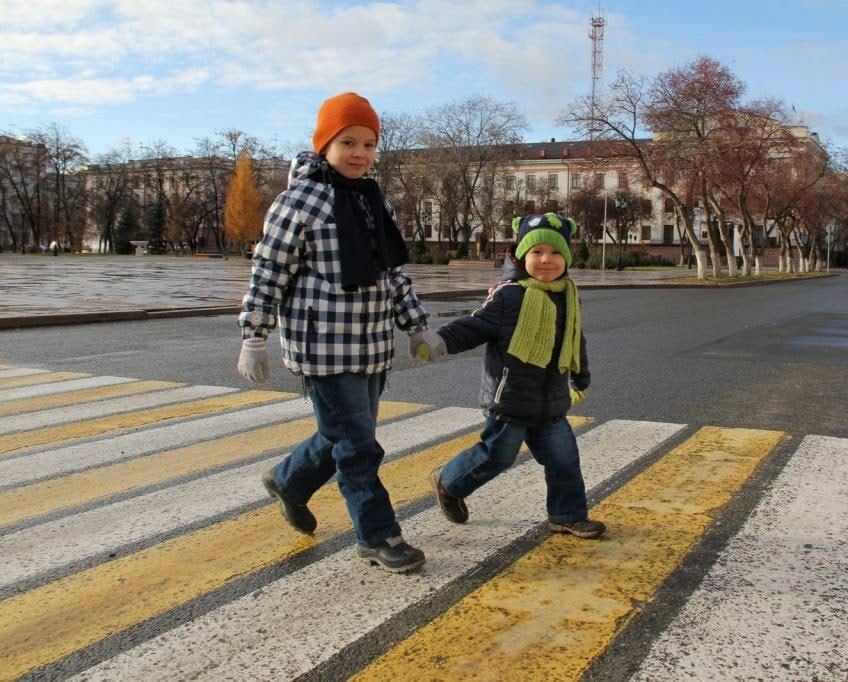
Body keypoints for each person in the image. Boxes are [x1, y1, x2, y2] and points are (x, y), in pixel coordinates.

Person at [236, 91, 437, 574]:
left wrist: (414, 326)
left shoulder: (373, 199)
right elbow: (269, 269)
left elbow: (391, 273)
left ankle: (289, 481)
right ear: (324, 143)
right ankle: (378, 534)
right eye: (347, 141)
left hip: (370, 347)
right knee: (358, 446)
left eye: (368, 144)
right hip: (322, 346)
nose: (359, 153)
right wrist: (254, 335)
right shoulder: (298, 201)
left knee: (343, 434)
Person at [418, 213, 606, 540]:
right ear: (521, 256)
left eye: (555, 252)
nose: (546, 259)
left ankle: (567, 515)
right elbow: (474, 326)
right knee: (496, 456)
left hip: (550, 402)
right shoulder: (510, 295)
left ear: (567, 258)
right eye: (536, 252)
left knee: (564, 459)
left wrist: (580, 377)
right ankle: (449, 482)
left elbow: (575, 339)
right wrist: (441, 340)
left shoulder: (567, 295)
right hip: (510, 399)